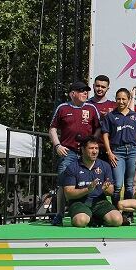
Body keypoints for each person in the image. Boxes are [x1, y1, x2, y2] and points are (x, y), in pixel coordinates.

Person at [48, 81, 101, 225]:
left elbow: (99, 127)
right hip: (68, 152)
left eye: (86, 91)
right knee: (62, 182)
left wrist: (93, 142)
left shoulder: (91, 108)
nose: (85, 93)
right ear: (73, 94)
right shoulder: (62, 108)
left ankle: (92, 213)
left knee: (94, 181)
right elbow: (52, 129)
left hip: (87, 153)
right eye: (82, 91)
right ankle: (59, 215)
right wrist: (57, 145)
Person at [60, 137, 122, 227]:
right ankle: (91, 219)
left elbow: (111, 191)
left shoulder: (105, 166)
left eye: (96, 148)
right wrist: (87, 190)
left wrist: (106, 190)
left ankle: (96, 219)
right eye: (91, 148)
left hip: (100, 202)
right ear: (82, 149)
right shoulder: (72, 167)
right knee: (80, 221)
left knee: (117, 220)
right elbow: (68, 194)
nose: (94, 151)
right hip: (79, 202)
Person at [101, 87, 136, 203]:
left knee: (129, 185)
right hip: (117, 152)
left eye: (124, 99)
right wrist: (109, 152)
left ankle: (128, 213)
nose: (121, 101)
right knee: (118, 185)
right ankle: (115, 212)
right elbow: (105, 134)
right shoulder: (110, 116)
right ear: (115, 99)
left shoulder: (135, 116)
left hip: (133, 151)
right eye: (118, 99)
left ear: (129, 99)